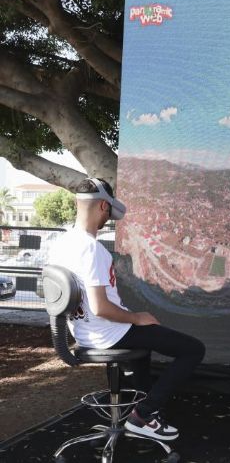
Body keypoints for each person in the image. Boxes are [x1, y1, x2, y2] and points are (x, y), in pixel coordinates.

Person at [48, 178, 205, 441]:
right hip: (108, 333)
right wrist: (136, 318)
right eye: (109, 210)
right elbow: (100, 307)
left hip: (85, 334)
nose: (108, 217)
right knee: (193, 349)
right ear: (103, 206)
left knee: (143, 347)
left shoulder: (60, 244)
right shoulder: (92, 249)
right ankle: (143, 414)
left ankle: (145, 414)